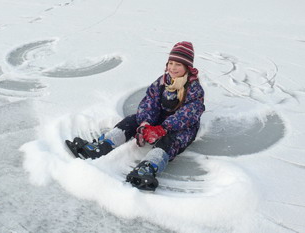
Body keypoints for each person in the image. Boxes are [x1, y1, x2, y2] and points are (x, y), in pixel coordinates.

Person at [66, 41, 205, 191]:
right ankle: (102, 146)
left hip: (182, 127)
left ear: (187, 67)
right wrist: (145, 123)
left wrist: (163, 128)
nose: (172, 67)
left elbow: (189, 114)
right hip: (159, 119)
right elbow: (150, 102)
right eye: (170, 63)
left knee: (170, 141)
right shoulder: (162, 81)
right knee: (132, 121)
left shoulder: (194, 88)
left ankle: (148, 168)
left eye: (178, 64)